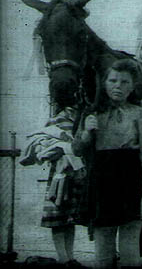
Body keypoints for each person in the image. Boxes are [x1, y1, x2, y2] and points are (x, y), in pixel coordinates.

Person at [72, 59, 142, 269]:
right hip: (102, 183)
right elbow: (76, 150)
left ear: (133, 86)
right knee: (103, 251)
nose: (118, 86)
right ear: (105, 83)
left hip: (131, 181)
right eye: (113, 80)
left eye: (125, 82)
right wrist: (86, 133)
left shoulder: (139, 113)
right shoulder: (92, 112)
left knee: (130, 252)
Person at [19, 107, 86, 267]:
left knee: (70, 218)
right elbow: (42, 143)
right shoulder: (57, 119)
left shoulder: (81, 116)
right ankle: (63, 258)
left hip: (77, 172)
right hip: (60, 174)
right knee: (57, 216)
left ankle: (70, 257)